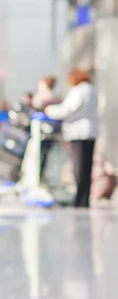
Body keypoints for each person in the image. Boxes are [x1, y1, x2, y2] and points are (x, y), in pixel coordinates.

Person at [45, 68, 98, 208]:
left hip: (78, 133)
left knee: (79, 169)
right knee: (86, 169)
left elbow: (68, 109)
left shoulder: (78, 91)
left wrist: (50, 111)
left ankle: (80, 201)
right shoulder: (91, 90)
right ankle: (84, 200)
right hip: (90, 133)